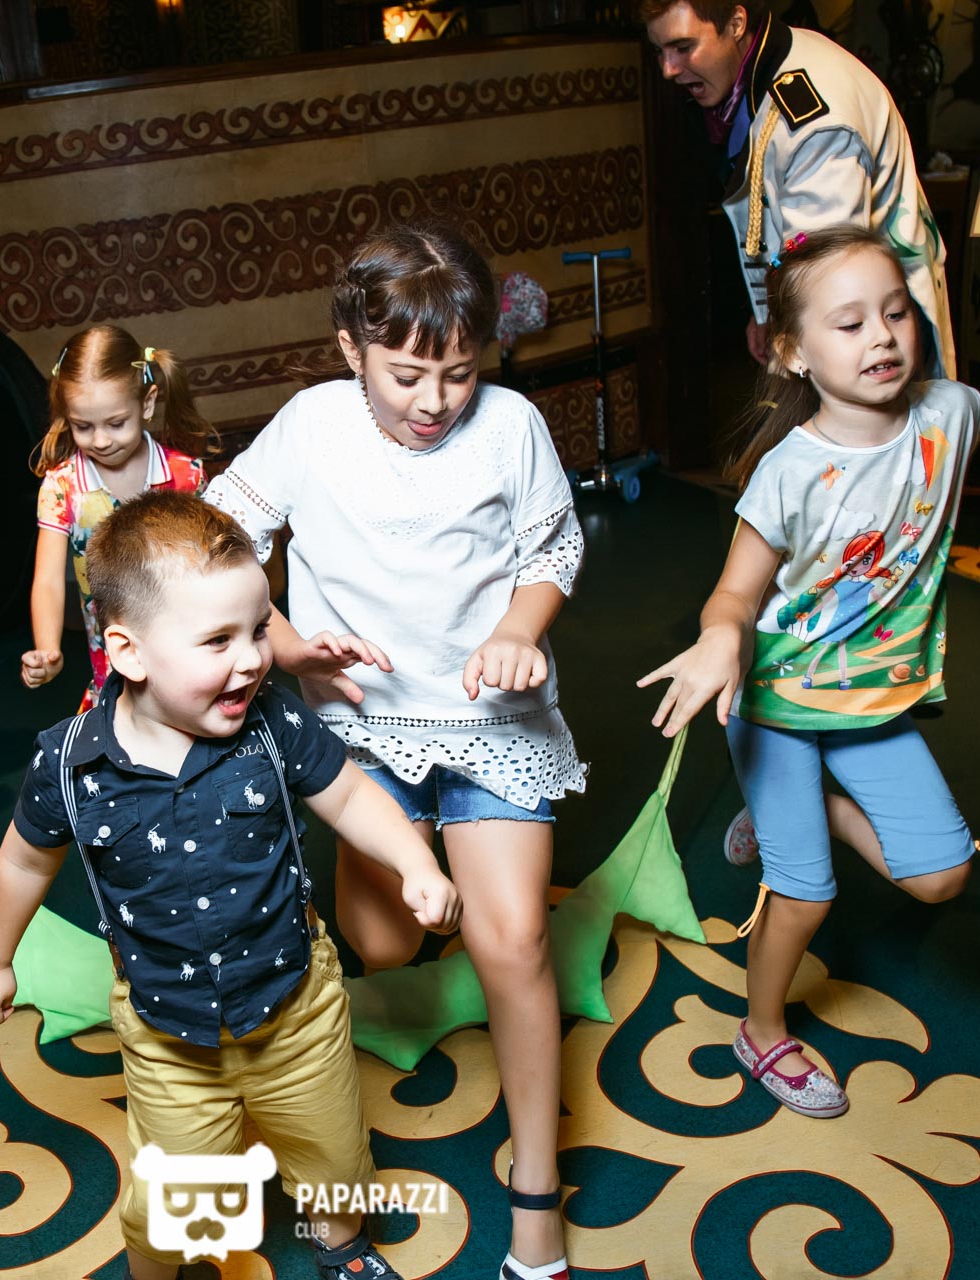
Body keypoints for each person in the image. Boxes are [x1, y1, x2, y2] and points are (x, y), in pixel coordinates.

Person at [638, 224, 980, 1118]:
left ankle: (802, 817)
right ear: (792, 352)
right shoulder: (789, 473)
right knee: (805, 895)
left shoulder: (943, 416)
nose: (882, 336)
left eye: (896, 313)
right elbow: (732, 594)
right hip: (773, 705)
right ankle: (761, 1031)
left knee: (940, 876)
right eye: (849, 324)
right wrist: (721, 637)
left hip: (871, 706)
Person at [203, 222, 584, 1280]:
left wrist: (521, 629)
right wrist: (287, 648)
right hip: (365, 722)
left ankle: (538, 1200)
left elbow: (553, 545)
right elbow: (222, 540)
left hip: (492, 723)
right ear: (350, 347)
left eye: (458, 373)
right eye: (407, 375)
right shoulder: (312, 424)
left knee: (514, 942)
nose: (435, 400)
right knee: (380, 944)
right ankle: (419, 885)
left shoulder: (510, 426)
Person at [0, 491, 460, 1280]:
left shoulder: (273, 722)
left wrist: (416, 862)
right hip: (170, 1039)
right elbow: (25, 862)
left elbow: (348, 795)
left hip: (297, 1010)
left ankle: (342, 1248)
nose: (253, 659)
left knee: (335, 1158)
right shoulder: (69, 764)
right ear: (128, 653)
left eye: (259, 628)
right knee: (177, 1198)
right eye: (217, 640)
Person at [642, 1, 955, 377]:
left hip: (869, 336)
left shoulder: (814, 122)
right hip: (844, 320)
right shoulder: (775, 63)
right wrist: (766, 311)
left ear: (736, 24)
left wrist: (782, 345)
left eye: (683, 47)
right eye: (659, 50)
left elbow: (825, 269)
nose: (668, 69)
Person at [23, 325, 215, 710]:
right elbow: (47, 581)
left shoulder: (187, 476)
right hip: (114, 678)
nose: (100, 440)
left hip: (192, 667)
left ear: (147, 404)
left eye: (116, 423)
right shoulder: (63, 487)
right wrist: (47, 649)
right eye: (83, 426)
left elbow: (216, 569)